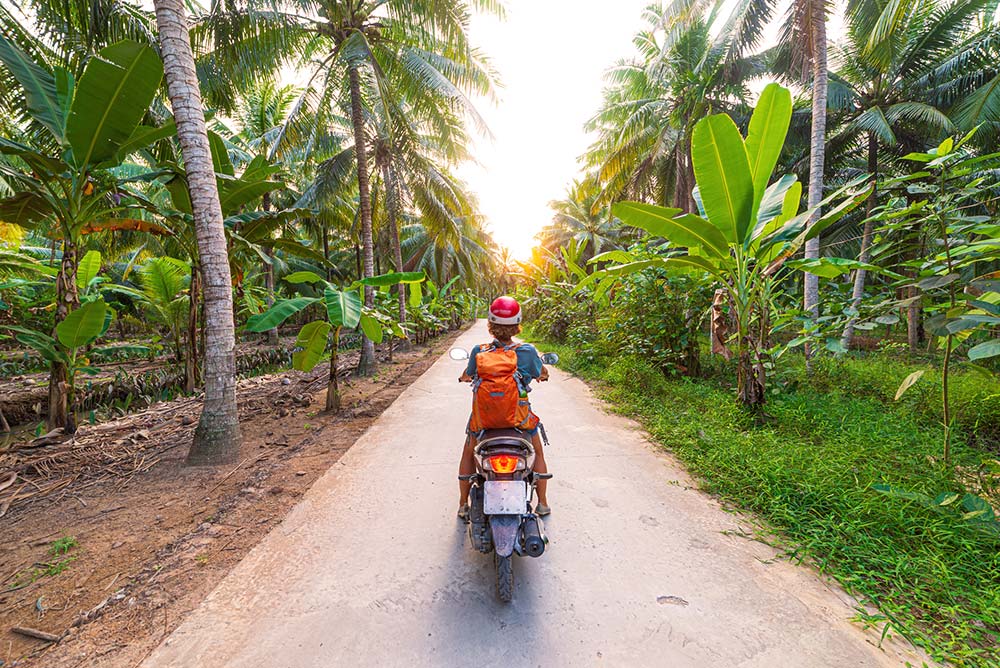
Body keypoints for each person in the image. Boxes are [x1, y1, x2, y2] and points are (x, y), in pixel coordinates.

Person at [458, 296, 550, 521]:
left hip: (484, 420)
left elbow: (468, 375)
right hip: (519, 419)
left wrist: (463, 377)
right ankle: (543, 504)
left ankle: (463, 504)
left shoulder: (479, 350)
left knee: (469, 451)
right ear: (517, 324)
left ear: (490, 324)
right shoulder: (527, 351)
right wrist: (541, 374)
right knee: (537, 450)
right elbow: (541, 373)